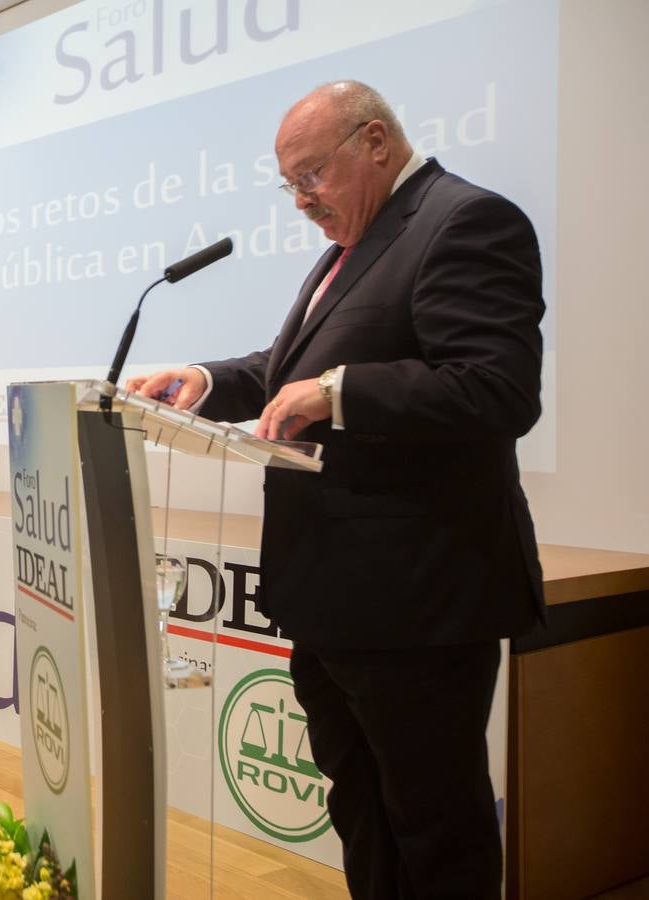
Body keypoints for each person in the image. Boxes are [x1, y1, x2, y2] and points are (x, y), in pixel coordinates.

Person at [128, 81, 545, 898]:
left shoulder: (465, 220)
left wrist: (341, 392)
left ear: (376, 142)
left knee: (436, 827)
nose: (301, 201)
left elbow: (497, 388)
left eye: (312, 175)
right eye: (289, 184)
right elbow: (294, 371)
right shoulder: (358, 243)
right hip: (335, 597)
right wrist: (207, 378)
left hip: (418, 600)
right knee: (363, 810)